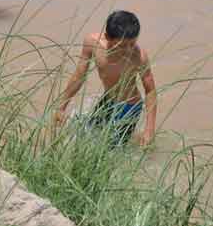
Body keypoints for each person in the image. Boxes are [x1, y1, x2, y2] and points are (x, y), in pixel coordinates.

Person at [55, 10, 157, 146]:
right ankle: (136, 140)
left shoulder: (139, 56)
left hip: (129, 107)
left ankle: (142, 143)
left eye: (132, 44)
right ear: (108, 37)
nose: (128, 50)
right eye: (122, 45)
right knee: (87, 135)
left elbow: (150, 90)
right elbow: (79, 75)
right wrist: (61, 107)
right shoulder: (92, 43)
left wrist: (149, 129)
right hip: (107, 100)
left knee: (113, 149)